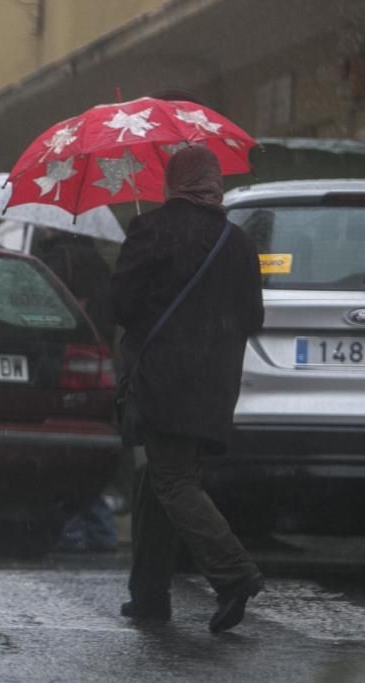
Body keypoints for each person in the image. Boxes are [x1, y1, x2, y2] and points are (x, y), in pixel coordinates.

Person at [111, 144, 265, 633]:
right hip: (214, 384)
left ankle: (234, 574)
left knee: (174, 481)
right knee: (159, 479)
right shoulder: (237, 242)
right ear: (214, 180)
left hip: (164, 381)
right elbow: (254, 317)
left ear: (173, 180)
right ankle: (150, 594)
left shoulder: (150, 229)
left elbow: (119, 306)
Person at [36, 231, 120, 552]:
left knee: (60, 463)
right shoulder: (98, 261)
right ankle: (102, 534)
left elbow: (45, 308)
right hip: (96, 363)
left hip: (61, 362)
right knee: (87, 460)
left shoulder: (58, 260)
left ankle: (72, 536)